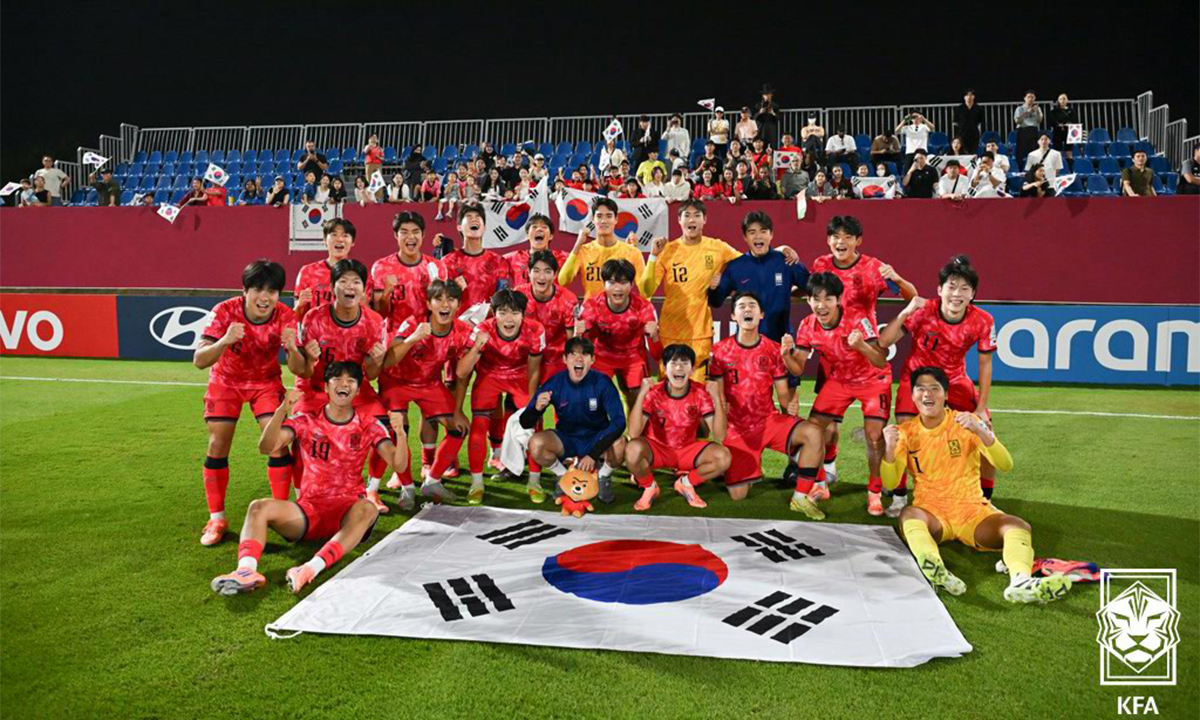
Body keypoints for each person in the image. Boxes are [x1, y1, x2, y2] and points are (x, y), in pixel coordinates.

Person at [210, 362, 408, 595]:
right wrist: (281, 411)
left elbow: (399, 464)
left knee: (368, 508)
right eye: (337, 379)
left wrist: (402, 435)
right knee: (258, 507)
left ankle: (309, 569)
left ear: (357, 389)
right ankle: (245, 571)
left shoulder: (369, 424)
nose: (344, 384)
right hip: (308, 510)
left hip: (346, 511)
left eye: (351, 381)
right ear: (326, 386)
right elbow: (267, 447)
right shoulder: (306, 419)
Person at [881, 366, 1072, 604]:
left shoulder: (965, 423)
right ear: (912, 395)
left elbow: (1005, 464)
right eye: (921, 389)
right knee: (909, 514)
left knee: (1016, 525)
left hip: (972, 512)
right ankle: (936, 570)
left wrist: (984, 433)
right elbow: (889, 482)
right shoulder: (905, 432)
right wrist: (888, 450)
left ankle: (1021, 582)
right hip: (932, 513)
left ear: (946, 395)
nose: (927, 394)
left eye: (934, 388)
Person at [193, 259, 302, 547]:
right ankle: (217, 518)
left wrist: (292, 348)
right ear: (244, 290)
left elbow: (298, 368)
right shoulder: (224, 311)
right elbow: (199, 360)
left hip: (265, 381)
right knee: (218, 444)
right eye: (257, 289)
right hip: (225, 381)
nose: (265, 297)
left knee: (278, 442)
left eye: (273, 291)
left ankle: (280, 513)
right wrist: (224, 341)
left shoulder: (286, 316)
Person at [878, 255, 998, 512]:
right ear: (939, 290)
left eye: (964, 289)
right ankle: (899, 497)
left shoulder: (983, 320)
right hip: (917, 380)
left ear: (973, 294)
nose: (957, 294)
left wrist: (980, 409)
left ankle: (985, 497)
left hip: (954, 380)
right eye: (951, 287)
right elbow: (884, 342)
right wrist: (907, 310)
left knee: (986, 431)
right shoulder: (923, 312)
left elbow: (985, 364)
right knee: (902, 434)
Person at [810, 215, 916, 493]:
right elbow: (810, 294)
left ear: (858, 241)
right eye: (835, 236)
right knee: (824, 424)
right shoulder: (820, 264)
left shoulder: (873, 267)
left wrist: (897, 278)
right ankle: (827, 471)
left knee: (873, 434)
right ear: (828, 240)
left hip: (865, 353)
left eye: (847, 237)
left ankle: (877, 489)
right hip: (833, 357)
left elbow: (911, 296)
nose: (840, 242)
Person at [786, 273, 891, 518]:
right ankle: (821, 485)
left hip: (873, 380)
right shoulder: (806, 325)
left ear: (839, 300)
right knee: (812, 430)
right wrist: (785, 355)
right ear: (809, 301)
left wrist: (862, 346)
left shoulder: (858, 318)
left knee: (874, 436)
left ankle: (874, 493)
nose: (821, 305)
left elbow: (880, 359)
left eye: (828, 299)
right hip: (840, 380)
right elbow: (798, 367)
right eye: (815, 299)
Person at [709, 291, 825, 509]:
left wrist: (789, 402)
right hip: (737, 430)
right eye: (741, 306)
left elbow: (782, 392)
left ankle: (800, 497)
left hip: (768, 421)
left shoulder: (772, 349)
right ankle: (743, 466)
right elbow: (717, 391)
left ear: (761, 314)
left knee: (813, 432)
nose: (747, 309)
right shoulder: (720, 351)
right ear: (733, 316)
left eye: (752, 306)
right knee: (738, 495)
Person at [292, 259, 391, 512]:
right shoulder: (313, 318)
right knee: (296, 432)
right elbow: (302, 369)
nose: (350, 286)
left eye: (356, 282)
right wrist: (309, 357)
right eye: (343, 281)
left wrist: (375, 359)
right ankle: (302, 495)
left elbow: (372, 374)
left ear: (364, 289)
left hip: (356, 390)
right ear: (332, 287)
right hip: (316, 387)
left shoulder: (375, 321)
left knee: (384, 425)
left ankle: (372, 490)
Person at [384, 280, 473, 508]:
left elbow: (463, 373)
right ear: (429, 304)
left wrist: (458, 410)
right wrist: (413, 338)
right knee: (398, 430)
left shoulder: (463, 331)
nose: (445, 304)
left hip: (430, 383)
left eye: (450, 299)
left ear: (458, 305)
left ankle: (432, 481)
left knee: (459, 428)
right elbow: (389, 361)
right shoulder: (413, 323)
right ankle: (407, 488)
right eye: (439, 299)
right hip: (397, 381)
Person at [708, 210, 809, 406]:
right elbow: (717, 301)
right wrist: (712, 289)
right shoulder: (735, 267)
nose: (758, 236)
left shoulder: (786, 261)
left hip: (782, 344)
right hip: (747, 348)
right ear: (745, 237)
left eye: (763, 231)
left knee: (788, 406)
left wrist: (791, 289)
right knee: (748, 405)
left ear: (771, 234)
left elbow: (812, 287)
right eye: (752, 232)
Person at [454, 289, 544, 504]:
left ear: (524, 314)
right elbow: (461, 372)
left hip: (520, 376)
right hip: (489, 377)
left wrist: (531, 402)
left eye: (514, 313)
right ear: (494, 313)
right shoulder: (482, 329)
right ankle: (477, 484)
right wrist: (477, 346)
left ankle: (534, 480)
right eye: (502, 313)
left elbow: (533, 369)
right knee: (478, 428)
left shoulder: (535, 330)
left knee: (533, 426)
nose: (508, 319)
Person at [639, 199, 740, 379]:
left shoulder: (717, 247)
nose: (691, 220)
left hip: (699, 333)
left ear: (704, 220)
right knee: (669, 389)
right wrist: (653, 256)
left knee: (698, 390)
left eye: (696, 215)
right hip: (670, 331)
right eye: (687, 215)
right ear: (679, 220)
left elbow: (746, 264)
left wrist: (777, 251)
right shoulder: (667, 251)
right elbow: (646, 290)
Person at [625, 345, 730, 511]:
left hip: (686, 450)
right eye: (673, 363)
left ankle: (686, 483)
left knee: (723, 457)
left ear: (693, 369)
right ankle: (650, 487)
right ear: (664, 368)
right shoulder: (654, 392)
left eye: (684, 362)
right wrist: (642, 395)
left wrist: (716, 398)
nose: (679, 367)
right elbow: (633, 432)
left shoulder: (701, 393)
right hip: (657, 449)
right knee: (632, 449)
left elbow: (719, 436)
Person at [523, 337, 626, 503]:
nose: (579, 358)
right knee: (536, 443)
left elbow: (619, 421)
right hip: (567, 438)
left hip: (596, 437)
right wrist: (536, 410)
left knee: (620, 444)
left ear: (592, 359)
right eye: (573, 354)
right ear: (565, 359)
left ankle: (603, 477)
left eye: (585, 354)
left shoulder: (603, 383)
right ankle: (563, 477)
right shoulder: (554, 383)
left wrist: (593, 454)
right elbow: (525, 422)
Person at [576, 258, 661, 408]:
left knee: (640, 396)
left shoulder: (644, 308)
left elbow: (657, 355)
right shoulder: (591, 306)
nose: (618, 288)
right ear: (603, 284)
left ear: (632, 284)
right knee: (592, 398)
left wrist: (655, 337)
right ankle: (597, 429)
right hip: (602, 356)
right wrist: (579, 335)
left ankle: (635, 431)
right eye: (612, 282)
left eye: (623, 282)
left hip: (633, 357)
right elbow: (581, 348)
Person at [558, 196, 646, 300]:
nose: (604, 221)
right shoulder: (583, 251)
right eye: (599, 216)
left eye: (609, 216)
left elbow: (645, 292)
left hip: (620, 313)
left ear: (616, 219)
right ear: (593, 219)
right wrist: (577, 245)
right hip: (591, 313)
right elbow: (562, 281)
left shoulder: (632, 252)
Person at [296, 218, 374, 321]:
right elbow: (296, 317)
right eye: (334, 235)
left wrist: (365, 305)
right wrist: (300, 305)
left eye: (345, 235)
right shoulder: (308, 272)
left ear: (353, 241)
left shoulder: (361, 275)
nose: (340, 239)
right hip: (316, 334)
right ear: (324, 239)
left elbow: (370, 318)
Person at [1013, 91, 1044, 164]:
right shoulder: (1019, 109)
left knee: (1034, 151)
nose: (1030, 99)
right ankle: (1020, 168)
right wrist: (1027, 112)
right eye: (1028, 97)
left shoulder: (1038, 108)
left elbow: (1039, 120)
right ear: (1025, 98)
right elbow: (1017, 121)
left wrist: (1038, 112)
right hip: (1023, 130)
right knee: (1021, 152)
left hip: (1033, 130)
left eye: (1032, 97)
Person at [1047, 94, 1078, 162]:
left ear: (1067, 100)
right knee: (1058, 152)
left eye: (1064, 99)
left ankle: (1070, 169)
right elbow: (1051, 122)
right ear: (1058, 100)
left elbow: (1075, 121)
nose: (1062, 100)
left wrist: (1069, 124)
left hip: (1069, 132)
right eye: (1060, 99)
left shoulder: (1072, 111)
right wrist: (1058, 125)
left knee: (1069, 152)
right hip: (1058, 132)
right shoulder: (1054, 111)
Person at [953, 89, 984, 155]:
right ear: (964, 97)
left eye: (971, 95)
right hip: (962, 134)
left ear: (974, 97)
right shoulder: (959, 109)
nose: (969, 97)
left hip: (974, 134)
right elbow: (955, 122)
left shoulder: (978, 108)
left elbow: (980, 122)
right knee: (963, 152)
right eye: (967, 95)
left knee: (972, 152)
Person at [754, 84, 780, 149]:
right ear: (763, 96)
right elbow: (753, 117)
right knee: (760, 147)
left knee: (771, 147)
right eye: (765, 94)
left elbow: (779, 118)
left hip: (771, 129)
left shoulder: (775, 105)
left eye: (768, 94)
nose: (767, 96)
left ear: (771, 95)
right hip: (761, 129)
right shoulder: (758, 105)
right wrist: (760, 112)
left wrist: (773, 113)